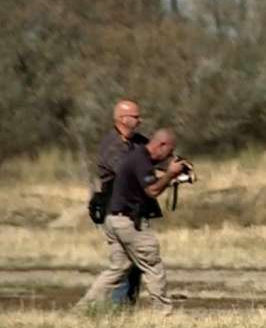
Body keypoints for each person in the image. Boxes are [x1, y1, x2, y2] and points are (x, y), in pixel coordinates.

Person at [77, 129, 187, 315]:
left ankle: (83, 309)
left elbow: (149, 182)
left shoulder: (138, 157)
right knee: (153, 266)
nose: (169, 155)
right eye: (169, 150)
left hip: (114, 219)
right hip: (128, 222)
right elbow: (152, 190)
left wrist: (173, 175)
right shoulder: (140, 160)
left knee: (117, 269)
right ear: (161, 145)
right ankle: (164, 313)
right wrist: (170, 174)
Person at [95, 99, 148, 305]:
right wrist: (160, 175)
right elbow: (128, 172)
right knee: (123, 265)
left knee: (133, 265)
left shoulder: (139, 142)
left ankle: (123, 309)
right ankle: (109, 307)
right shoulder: (111, 146)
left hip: (134, 211)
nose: (139, 120)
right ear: (122, 119)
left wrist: (178, 164)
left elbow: (157, 152)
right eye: (135, 117)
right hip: (117, 212)